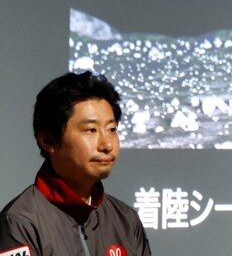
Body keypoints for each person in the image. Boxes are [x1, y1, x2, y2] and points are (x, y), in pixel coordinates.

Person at [0, 71, 152, 256]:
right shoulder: (20, 222)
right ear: (48, 140)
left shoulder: (125, 219)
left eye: (112, 129)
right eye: (91, 130)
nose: (107, 144)